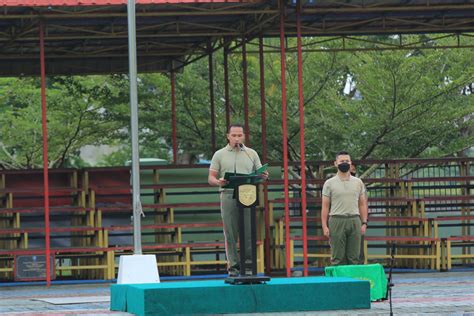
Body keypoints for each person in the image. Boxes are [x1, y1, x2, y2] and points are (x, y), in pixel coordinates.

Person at [208, 124, 268, 276]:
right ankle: (233, 268)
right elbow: (211, 178)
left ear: (244, 136)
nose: (237, 138)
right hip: (228, 193)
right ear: (228, 136)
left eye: (239, 135)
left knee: (248, 231)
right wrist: (218, 182)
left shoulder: (251, 153)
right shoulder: (220, 154)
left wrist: (263, 176)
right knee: (230, 232)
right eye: (233, 135)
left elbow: (260, 171)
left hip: (247, 194)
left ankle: (248, 267)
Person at [321, 151, 368, 265]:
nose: (344, 163)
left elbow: (362, 204)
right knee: (338, 257)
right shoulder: (329, 183)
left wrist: (364, 223)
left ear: (351, 163)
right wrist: (324, 226)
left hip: (354, 219)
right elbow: (325, 206)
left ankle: (353, 282)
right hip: (337, 219)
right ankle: (338, 282)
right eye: (342, 161)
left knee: (355, 257)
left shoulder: (358, 182)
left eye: (347, 161)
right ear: (336, 163)